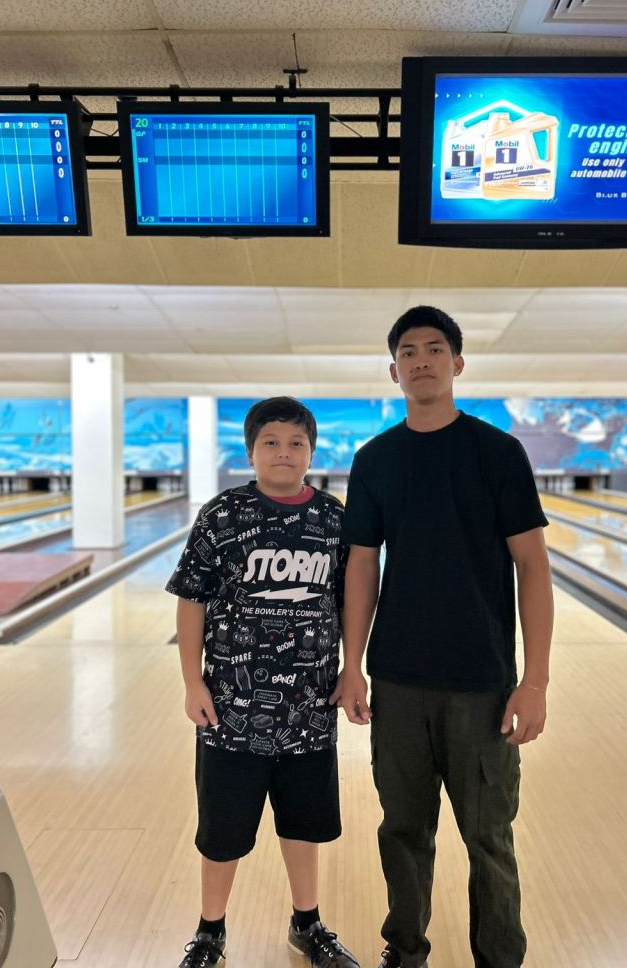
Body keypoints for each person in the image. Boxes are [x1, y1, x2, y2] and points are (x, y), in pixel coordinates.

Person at [332, 307, 553, 968]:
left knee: (489, 837)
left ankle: (500, 959)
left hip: (482, 683)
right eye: (408, 351)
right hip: (398, 681)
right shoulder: (375, 459)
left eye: (434, 349)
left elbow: (532, 565)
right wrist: (352, 665)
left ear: (456, 364)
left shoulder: (497, 453)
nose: (421, 360)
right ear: (393, 370)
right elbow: (362, 564)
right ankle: (405, 953)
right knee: (402, 830)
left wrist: (535, 681)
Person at [166, 397, 360, 968]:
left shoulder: (333, 518)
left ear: (311, 453)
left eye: (296, 443)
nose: (283, 452)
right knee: (222, 830)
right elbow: (191, 600)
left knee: (304, 824)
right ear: (250, 451)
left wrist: (353, 668)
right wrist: (192, 682)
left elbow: (350, 601)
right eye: (271, 442)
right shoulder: (222, 514)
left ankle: (308, 923)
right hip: (230, 708)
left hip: (310, 708)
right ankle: (210, 931)